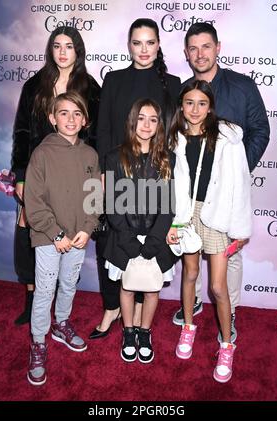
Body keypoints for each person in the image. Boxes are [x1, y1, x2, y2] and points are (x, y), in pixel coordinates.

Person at [172, 22, 270, 343]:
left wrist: (237, 171)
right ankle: (194, 303)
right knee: (191, 257)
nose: (200, 54)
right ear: (186, 54)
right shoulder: (184, 91)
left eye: (206, 46)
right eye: (194, 48)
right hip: (193, 197)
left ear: (218, 48)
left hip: (228, 195)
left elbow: (260, 130)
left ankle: (231, 313)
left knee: (229, 255)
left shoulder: (242, 86)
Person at [91, 18, 181, 339]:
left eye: (150, 42)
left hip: (156, 175)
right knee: (113, 241)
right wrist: (102, 172)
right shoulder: (114, 80)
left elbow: (173, 137)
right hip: (117, 175)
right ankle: (112, 307)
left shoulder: (173, 82)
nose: (143, 50)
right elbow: (102, 130)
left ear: (158, 45)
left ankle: (142, 312)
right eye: (137, 43)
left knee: (149, 243)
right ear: (128, 45)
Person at [11, 26, 101, 325]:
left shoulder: (90, 87)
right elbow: (22, 131)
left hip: (75, 171)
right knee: (29, 227)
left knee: (71, 235)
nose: (63, 52)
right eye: (57, 46)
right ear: (50, 50)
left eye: (70, 46)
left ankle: (62, 312)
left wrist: (98, 175)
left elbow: (97, 135)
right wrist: (21, 176)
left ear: (78, 51)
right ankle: (32, 295)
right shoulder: (35, 84)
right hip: (39, 169)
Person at [167, 80, 251, 382]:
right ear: (182, 105)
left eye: (202, 103)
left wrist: (240, 228)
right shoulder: (175, 139)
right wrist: (175, 222)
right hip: (187, 215)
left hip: (215, 215)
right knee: (189, 275)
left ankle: (227, 343)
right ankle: (188, 327)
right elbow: (174, 185)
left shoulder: (227, 137)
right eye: (189, 102)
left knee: (217, 287)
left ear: (210, 106)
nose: (195, 109)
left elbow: (240, 183)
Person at [24, 92, 102, 386]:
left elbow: (95, 198)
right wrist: (55, 233)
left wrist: (87, 228)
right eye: (64, 113)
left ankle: (62, 324)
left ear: (85, 119)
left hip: (78, 236)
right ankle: (38, 341)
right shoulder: (42, 153)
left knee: (69, 283)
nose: (71, 119)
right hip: (48, 237)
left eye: (77, 114)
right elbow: (34, 201)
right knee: (45, 289)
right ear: (52, 118)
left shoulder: (90, 155)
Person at [104, 98, 175, 363]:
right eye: (142, 118)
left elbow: (168, 205)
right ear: (133, 120)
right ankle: (128, 330)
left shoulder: (167, 158)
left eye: (153, 119)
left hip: (155, 236)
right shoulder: (114, 157)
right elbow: (112, 204)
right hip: (125, 236)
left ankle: (144, 332)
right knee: (128, 285)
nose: (147, 125)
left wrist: (155, 240)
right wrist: (128, 239)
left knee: (151, 288)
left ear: (159, 125)